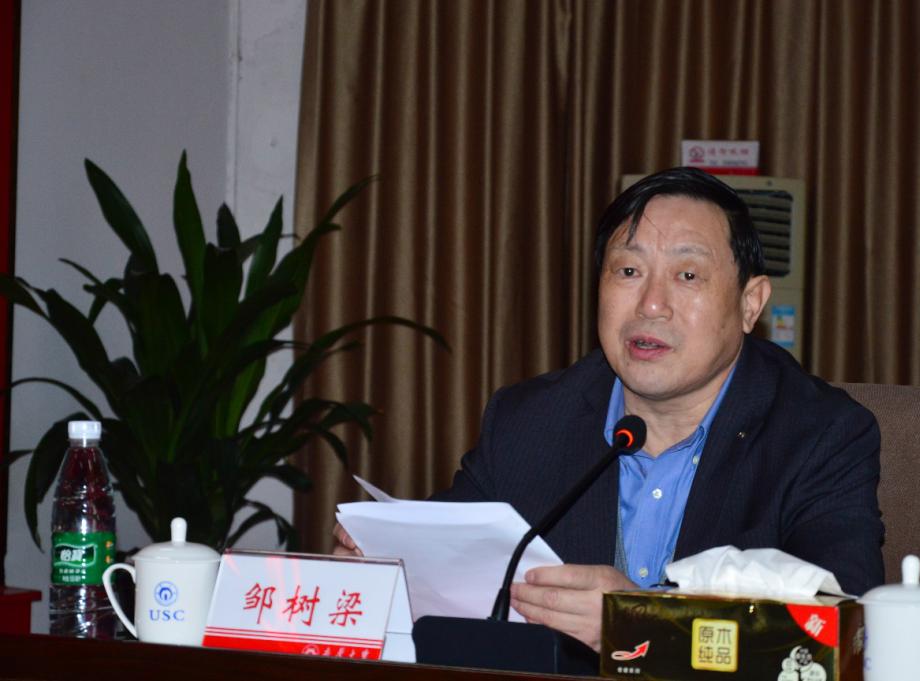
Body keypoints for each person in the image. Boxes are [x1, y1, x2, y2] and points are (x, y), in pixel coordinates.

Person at [333, 167, 884, 652]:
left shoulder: (821, 434)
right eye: (628, 271)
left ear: (750, 303)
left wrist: (643, 623)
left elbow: (840, 631)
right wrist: (386, 567)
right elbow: (451, 555)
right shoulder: (528, 420)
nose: (651, 304)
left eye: (687, 276)